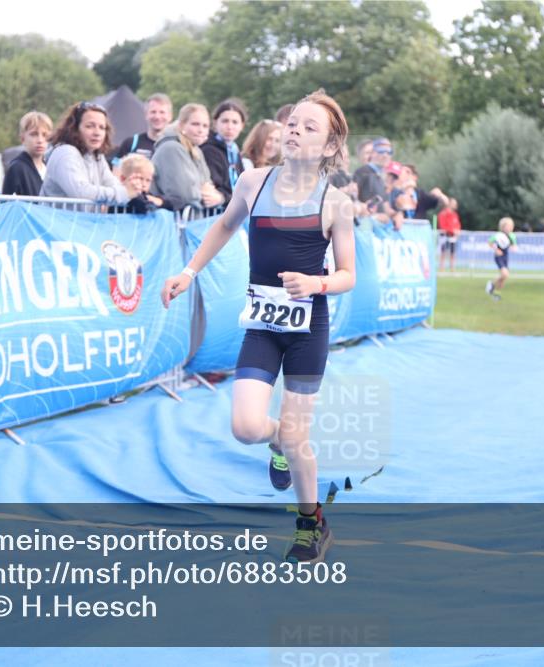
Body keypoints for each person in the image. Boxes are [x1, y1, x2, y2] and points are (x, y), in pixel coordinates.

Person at [161, 90, 356, 563]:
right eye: (293, 122)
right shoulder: (252, 182)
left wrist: (316, 283)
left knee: (297, 436)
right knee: (247, 427)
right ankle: (278, 442)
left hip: (309, 327)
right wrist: (188, 272)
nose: (295, 130)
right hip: (263, 324)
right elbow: (225, 227)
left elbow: (349, 275)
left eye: (311, 127)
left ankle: (312, 522)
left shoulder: (336, 203)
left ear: (329, 147)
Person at [40, 102, 131, 209]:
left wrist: (129, 193)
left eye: (102, 127)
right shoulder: (65, 153)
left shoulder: (97, 156)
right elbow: (81, 192)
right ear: (75, 128)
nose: (97, 132)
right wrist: (125, 194)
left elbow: (112, 183)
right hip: (56, 223)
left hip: (79, 223)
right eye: (90, 126)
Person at [150, 104, 224, 212]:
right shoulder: (171, 148)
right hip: (174, 222)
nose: (200, 130)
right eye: (195, 124)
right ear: (181, 125)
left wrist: (218, 197)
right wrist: (203, 193)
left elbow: (209, 185)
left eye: (205, 126)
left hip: (193, 221)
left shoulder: (196, 150)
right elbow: (183, 194)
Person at [201, 98, 248, 205]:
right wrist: (225, 198)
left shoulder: (234, 150)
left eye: (235, 122)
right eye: (225, 121)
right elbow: (217, 187)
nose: (230, 127)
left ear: (242, 126)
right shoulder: (209, 149)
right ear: (215, 123)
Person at [111, 93, 173, 164]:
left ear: (170, 116)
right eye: (153, 112)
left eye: (162, 112)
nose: (157, 117)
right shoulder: (132, 143)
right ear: (146, 115)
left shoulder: (178, 145)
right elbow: (116, 171)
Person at [2, 111, 52, 196]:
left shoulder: (49, 168)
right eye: (34, 134)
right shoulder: (17, 168)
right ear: (22, 138)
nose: (40, 140)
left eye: (45, 135)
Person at [486, 217, 517, 299]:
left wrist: (513, 247)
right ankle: (491, 284)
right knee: (505, 274)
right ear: (502, 227)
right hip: (499, 257)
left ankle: (496, 293)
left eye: (511, 226)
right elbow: (490, 242)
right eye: (507, 226)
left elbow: (514, 245)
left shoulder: (512, 236)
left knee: (504, 278)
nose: (509, 228)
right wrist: (496, 249)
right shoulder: (498, 235)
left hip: (506, 257)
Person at [437, 198, 462, 271]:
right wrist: (452, 230)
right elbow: (442, 226)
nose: (455, 205)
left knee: (452, 252)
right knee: (443, 252)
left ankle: (452, 268)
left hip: (453, 236)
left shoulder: (455, 215)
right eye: (454, 203)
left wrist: (457, 231)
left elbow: (457, 224)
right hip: (445, 235)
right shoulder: (443, 214)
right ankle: (441, 267)